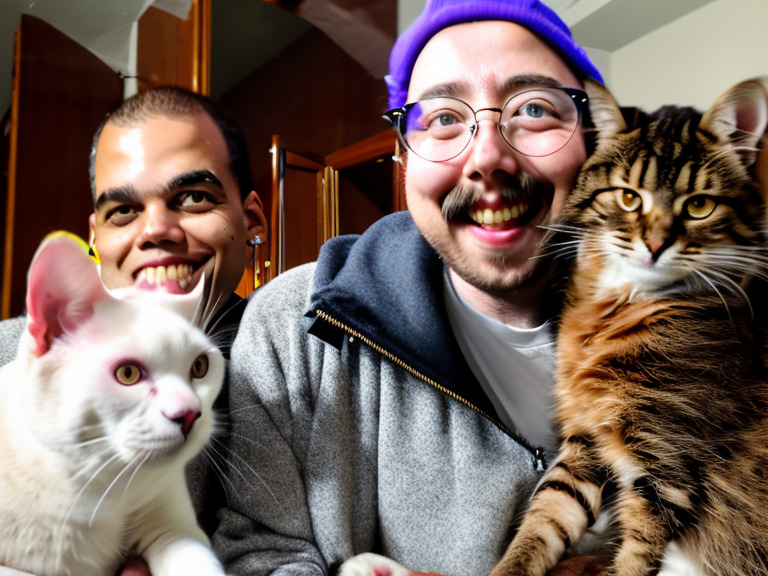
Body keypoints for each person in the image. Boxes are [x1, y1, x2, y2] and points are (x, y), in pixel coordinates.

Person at [209, 1, 609, 575]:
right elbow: (257, 550)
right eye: (444, 118)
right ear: (403, 159)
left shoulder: (712, 321)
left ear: (595, 140)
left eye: (535, 109)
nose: (488, 156)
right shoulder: (290, 331)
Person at [0, 86, 268, 576]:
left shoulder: (289, 358)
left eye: (192, 197)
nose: (154, 231)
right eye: (122, 211)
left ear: (252, 220)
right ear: (95, 238)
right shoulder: (12, 356)